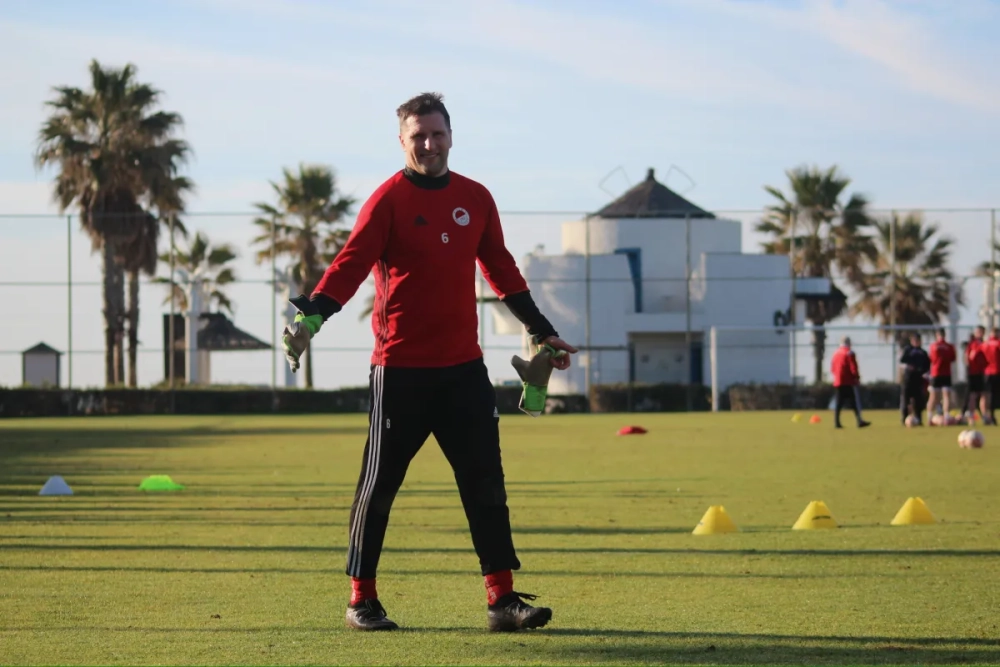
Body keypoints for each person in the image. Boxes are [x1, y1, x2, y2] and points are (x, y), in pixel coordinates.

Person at [279, 93, 578, 633]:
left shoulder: (476, 198)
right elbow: (351, 263)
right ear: (402, 141)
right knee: (379, 486)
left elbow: (501, 269)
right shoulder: (387, 200)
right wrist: (314, 314)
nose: (429, 144)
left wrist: (541, 329)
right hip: (400, 371)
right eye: (418, 135)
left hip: (464, 371)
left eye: (437, 134)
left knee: (486, 485)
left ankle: (502, 601)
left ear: (451, 137)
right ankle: (361, 600)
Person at [829, 336, 871, 429]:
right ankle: (859, 420)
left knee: (839, 403)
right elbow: (853, 367)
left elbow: (832, 368)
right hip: (848, 381)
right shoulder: (849, 352)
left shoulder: (835, 353)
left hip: (838, 381)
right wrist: (856, 377)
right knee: (854, 402)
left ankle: (837, 422)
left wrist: (836, 376)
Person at [899, 333, 930, 425]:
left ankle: (918, 419)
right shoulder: (908, 350)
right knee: (905, 399)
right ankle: (904, 418)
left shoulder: (923, 352)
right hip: (908, 378)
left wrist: (922, 371)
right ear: (911, 341)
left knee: (918, 400)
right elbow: (902, 360)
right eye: (914, 340)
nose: (916, 342)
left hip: (918, 379)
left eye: (918, 340)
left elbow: (927, 366)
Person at [927, 328, 956, 420]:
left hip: (935, 373)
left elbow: (931, 359)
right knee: (946, 396)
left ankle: (929, 417)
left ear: (937, 335)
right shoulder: (949, 346)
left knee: (933, 396)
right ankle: (946, 416)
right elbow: (953, 358)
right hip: (946, 373)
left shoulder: (933, 346)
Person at [963, 326, 987, 423]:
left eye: (982, 332)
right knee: (973, 395)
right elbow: (968, 357)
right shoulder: (973, 344)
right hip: (973, 373)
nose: (980, 334)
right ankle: (971, 416)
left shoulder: (983, 343)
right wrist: (969, 368)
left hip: (982, 372)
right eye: (979, 332)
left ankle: (985, 416)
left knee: (983, 394)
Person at [983, 327, 1000, 425]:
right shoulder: (998, 343)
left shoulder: (985, 344)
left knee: (988, 395)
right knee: (995, 395)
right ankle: (991, 416)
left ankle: (988, 416)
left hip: (987, 372)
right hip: (997, 372)